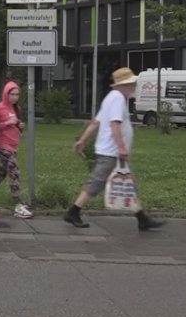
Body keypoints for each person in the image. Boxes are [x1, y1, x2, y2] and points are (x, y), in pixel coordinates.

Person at [69, 67, 166, 231]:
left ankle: (142, 218)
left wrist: (83, 140)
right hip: (111, 152)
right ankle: (73, 211)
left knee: (129, 183)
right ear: (124, 85)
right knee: (97, 183)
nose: (134, 86)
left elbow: (96, 122)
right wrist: (121, 147)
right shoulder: (117, 99)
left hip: (112, 152)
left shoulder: (111, 98)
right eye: (132, 83)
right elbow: (115, 124)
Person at [0, 81, 33, 219]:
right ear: (6, 94)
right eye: (12, 94)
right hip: (2, 145)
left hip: (13, 145)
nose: (15, 97)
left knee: (1, 173)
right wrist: (7, 123)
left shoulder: (15, 109)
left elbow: (17, 128)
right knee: (14, 172)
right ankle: (18, 205)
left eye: (17, 94)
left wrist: (20, 126)